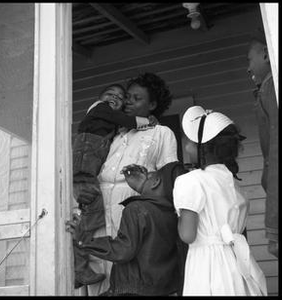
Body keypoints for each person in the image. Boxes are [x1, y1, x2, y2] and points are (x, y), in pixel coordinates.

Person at [76, 72, 179, 295]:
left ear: (152, 104)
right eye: (128, 97)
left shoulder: (162, 133)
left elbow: (169, 183)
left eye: (137, 98)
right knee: (100, 273)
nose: (128, 102)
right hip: (99, 213)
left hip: (133, 221)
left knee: (128, 278)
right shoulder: (114, 131)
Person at [173, 106, 267, 296]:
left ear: (203, 148)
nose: (186, 146)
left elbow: (187, 235)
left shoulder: (191, 181)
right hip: (236, 262)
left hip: (207, 264)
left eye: (189, 142)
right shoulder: (234, 185)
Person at [66, 161, 188, 296]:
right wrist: (144, 185)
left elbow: (123, 250)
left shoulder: (137, 209)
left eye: (149, 176)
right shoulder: (173, 216)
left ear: (156, 182)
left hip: (132, 290)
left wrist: (83, 239)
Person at [247, 34, 278, 258]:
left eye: (250, 60)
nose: (248, 69)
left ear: (266, 54)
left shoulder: (270, 88)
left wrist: (273, 224)